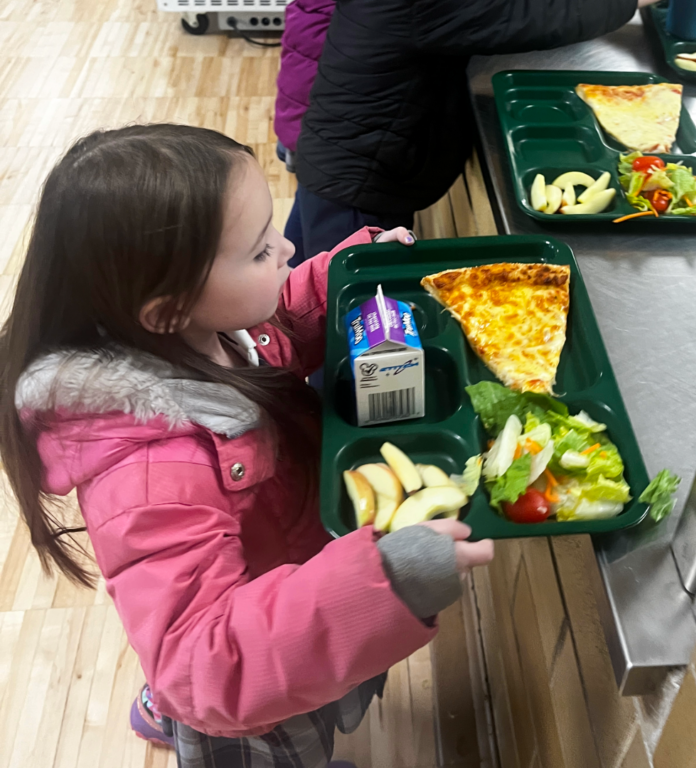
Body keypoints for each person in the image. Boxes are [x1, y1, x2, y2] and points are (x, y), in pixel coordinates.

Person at [0, 124, 494, 767]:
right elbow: (202, 664)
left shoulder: (203, 329)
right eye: (261, 251)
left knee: (177, 619)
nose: (287, 246)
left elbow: (280, 321)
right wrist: (379, 580)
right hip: (249, 680)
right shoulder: (147, 474)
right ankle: (171, 715)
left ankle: (155, 708)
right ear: (168, 308)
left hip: (270, 574)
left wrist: (345, 273)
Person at [296, 0, 660, 257]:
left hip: (336, 164)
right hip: (359, 186)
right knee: (344, 333)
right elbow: (539, 16)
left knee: (294, 295)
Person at [274, 0, 336, 266]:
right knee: (323, 232)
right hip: (320, 138)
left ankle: (292, 273)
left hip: (296, 125)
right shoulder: (344, 14)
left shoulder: (310, 6)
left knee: (306, 204)